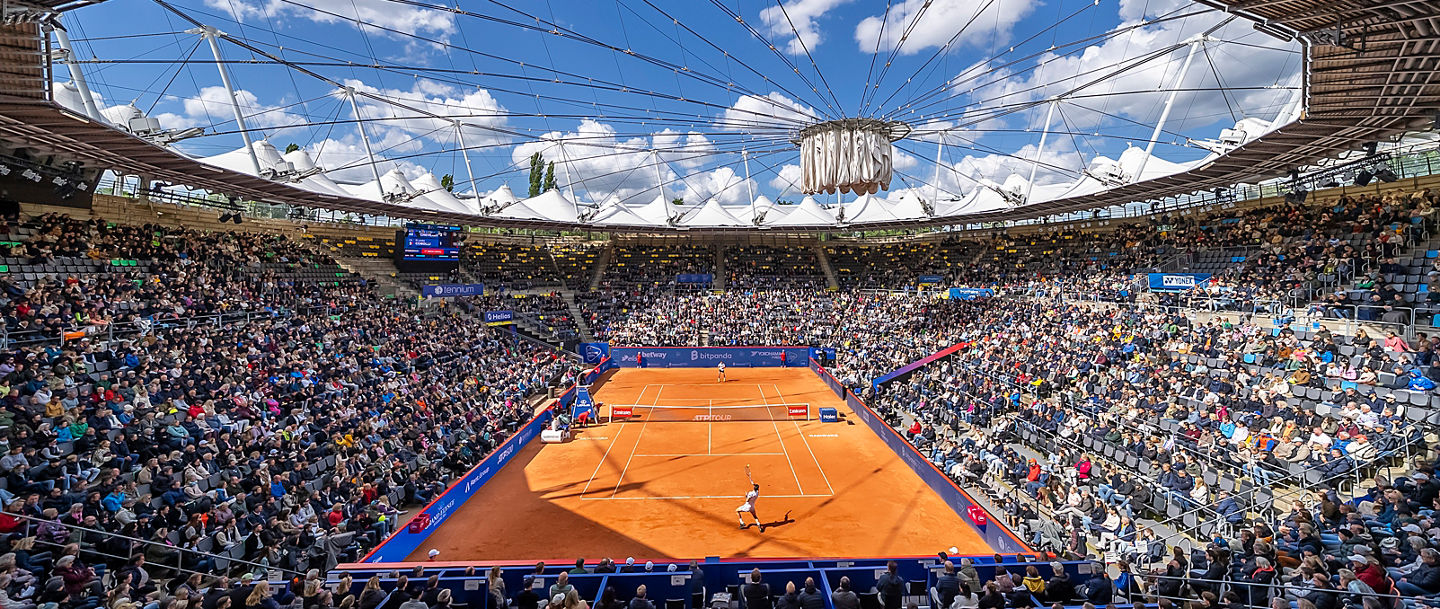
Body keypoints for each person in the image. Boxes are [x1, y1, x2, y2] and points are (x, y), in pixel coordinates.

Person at [737, 465, 763, 531]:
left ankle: (742, 523)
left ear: (754, 488)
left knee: (737, 511)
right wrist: (750, 479)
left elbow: (747, 500)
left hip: (747, 506)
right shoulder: (757, 493)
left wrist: (746, 496)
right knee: (755, 516)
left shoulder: (751, 493)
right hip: (752, 507)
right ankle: (759, 525)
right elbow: (754, 485)